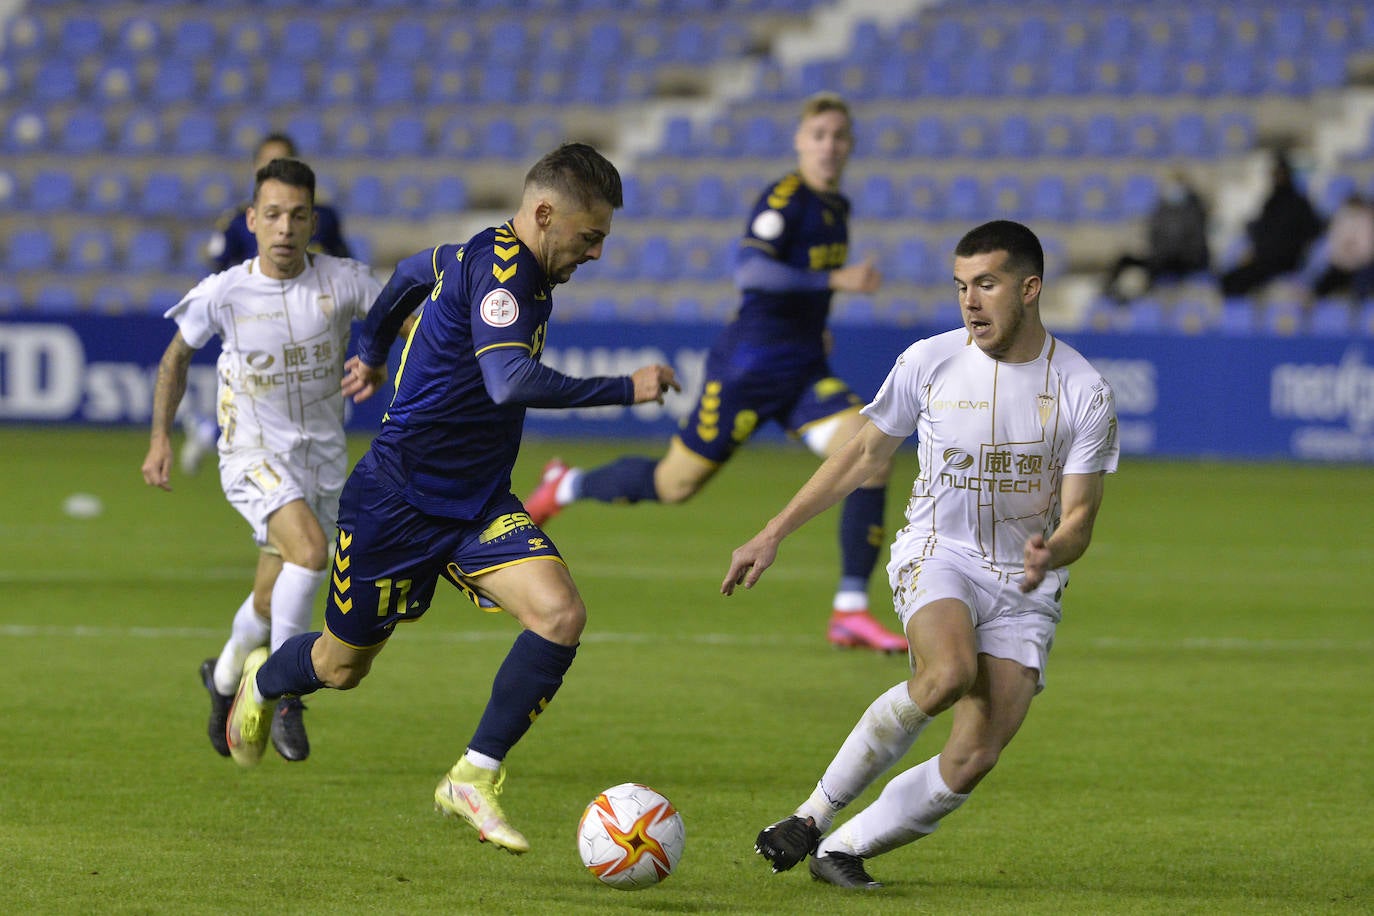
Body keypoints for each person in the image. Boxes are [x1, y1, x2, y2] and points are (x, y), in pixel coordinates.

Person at [222, 143, 680, 856]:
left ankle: (474, 775)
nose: (595, 254)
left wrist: (371, 346)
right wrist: (626, 387)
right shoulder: (508, 278)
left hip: (474, 506)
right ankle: (264, 676)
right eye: (590, 237)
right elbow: (509, 381)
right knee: (342, 668)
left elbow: (411, 272)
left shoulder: (483, 255)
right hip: (395, 504)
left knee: (560, 614)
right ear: (545, 214)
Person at [723, 220, 1119, 889]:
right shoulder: (930, 362)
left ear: (1030, 288)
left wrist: (1051, 551)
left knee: (975, 754)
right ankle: (811, 816)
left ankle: (840, 849)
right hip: (939, 552)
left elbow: (1080, 518)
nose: (970, 301)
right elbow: (861, 457)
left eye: (987, 285)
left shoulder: (1083, 390)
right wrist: (774, 531)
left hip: (1028, 581)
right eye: (962, 286)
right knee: (949, 673)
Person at [524, 92, 904, 653]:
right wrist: (834, 283)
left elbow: (794, 288)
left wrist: (813, 320)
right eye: (819, 134)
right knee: (674, 485)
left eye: (839, 136)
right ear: (801, 141)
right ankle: (567, 484)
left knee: (869, 454)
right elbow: (753, 273)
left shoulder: (835, 208)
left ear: (849, 145)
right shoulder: (785, 199)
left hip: (800, 370)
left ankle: (849, 609)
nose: (829, 146)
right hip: (746, 371)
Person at [141, 157, 384, 763]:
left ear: (312, 221)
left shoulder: (343, 280)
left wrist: (376, 357)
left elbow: (405, 321)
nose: (284, 228)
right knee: (310, 553)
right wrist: (160, 440)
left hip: (322, 461)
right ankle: (284, 697)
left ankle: (222, 681)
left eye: (297, 216)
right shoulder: (226, 292)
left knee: (269, 597)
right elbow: (174, 359)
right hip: (249, 452)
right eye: (272, 214)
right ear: (252, 219)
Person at [181, 132, 355, 476]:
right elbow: (216, 274)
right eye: (267, 164)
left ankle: (209, 433)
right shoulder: (238, 221)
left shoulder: (323, 217)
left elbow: (345, 265)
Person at [1219, 152, 1322, 298]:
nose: (1276, 178)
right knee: (1229, 279)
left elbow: (1312, 231)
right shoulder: (1270, 203)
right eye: (1275, 174)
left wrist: (1293, 248)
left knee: (1236, 281)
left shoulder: (1300, 204)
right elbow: (1261, 231)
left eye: (1280, 173)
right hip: (1264, 258)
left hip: (1285, 261)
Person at [1101, 169, 1209, 304]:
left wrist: (1172, 250)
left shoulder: (1196, 209)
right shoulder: (1160, 208)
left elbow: (1196, 243)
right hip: (1161, 258)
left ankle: (1141, 297)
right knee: (1125, 259)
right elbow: (1153, 235)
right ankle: (1109, 294)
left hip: (1187, 261)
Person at [1309, 191, 1374, 303]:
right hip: (1340, 267)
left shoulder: (1368, 220)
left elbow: (1367, 250)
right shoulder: (1341, 219)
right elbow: (1334, 247)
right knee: (1319, 289)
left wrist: (1352, 255)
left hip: (1364, 268)